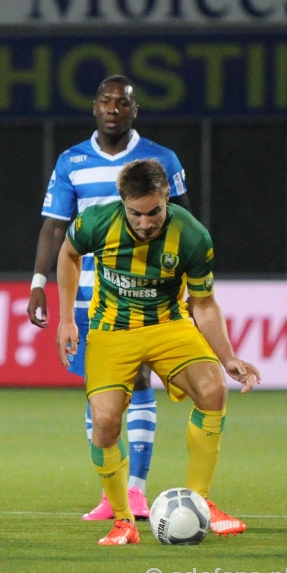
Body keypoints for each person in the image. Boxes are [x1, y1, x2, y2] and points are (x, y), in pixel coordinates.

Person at [56, 158, 259, 545]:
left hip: (169, 326)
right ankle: (123, 521)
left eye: (155, 212)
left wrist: (228, 356)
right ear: (122, 202)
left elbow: (204, 304)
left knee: (213, 389)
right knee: (104, 421)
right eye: (136, 213)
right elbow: (67, 253)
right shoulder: (97, 222)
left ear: (167, 198)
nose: (146, 222)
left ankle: (199, 501)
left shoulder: (192, 235)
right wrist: (66, 319)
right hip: (111, 331)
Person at [27, 75, 191, 521]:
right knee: (98, 391)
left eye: (123, 102)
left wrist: (186, 286)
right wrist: (38, 282)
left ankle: (136, 490)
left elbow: (182, 223)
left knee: (138, 381)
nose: (113, 107)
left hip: (144, 293)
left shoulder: (161, 158)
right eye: (106, 100)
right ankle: (111, 492)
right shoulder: (72, 161)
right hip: (85, 293)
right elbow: (56, 227)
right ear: (95, 107)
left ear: (134, 110)